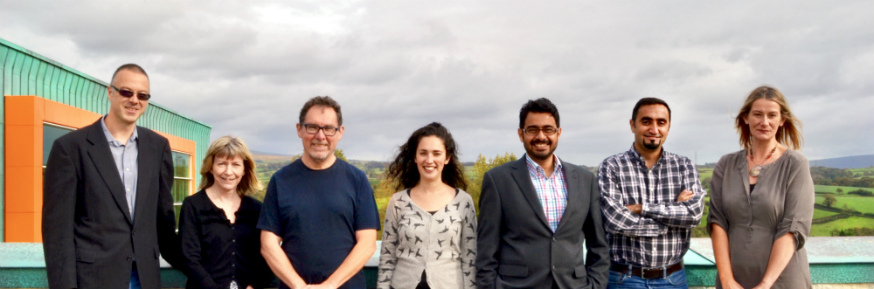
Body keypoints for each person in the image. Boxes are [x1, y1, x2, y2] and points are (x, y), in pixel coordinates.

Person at [42, 63, 186, 289]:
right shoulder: (70, 148)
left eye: (143, 95)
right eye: (126, 92)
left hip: (145, 278)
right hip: (93, 279)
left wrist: (201, 268)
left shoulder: (158, 147)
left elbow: (163, 220)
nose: (134, 100)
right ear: (110, 92)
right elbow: (57, 231)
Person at [476, 98, 609, 289]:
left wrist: (596, 285)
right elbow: (486, 250)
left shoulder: (585, 180)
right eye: (532, 130)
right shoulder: (498, 180)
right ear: (521, 134)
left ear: (558, 133)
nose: (541, 136)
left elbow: (598, 244)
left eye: (548, 129)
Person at [258, 96, 380, 289]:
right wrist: (299, 286)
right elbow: (268, 244)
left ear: (340, 132)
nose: (320, 136)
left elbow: (367, 243)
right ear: (299, 129)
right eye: (312, 127)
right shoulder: (280, 181)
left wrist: (330, 286)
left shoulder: (357, 180)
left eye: (329, 128)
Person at [708, 86, 814, 289]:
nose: (764, 122)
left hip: (783, 281)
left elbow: (793, 228)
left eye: (771, 115)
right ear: (746, 118)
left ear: (782, 120)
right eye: (757, 114)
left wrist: (765, 284)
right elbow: (717, 222)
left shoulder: (795, 164)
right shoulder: (726, 165)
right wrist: (727, 280)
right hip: (733, 282)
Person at [598, 97, 706, 288]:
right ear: (633, 125)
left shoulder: (684, 166)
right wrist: (669, 219)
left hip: (672, 279)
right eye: (646, 121)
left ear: (668, 127)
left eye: (661, 123)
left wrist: (641, 208)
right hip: (624, 279)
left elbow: (693, 214)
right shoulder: (611, 167)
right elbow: (615, 220)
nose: (654, 129)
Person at [378, 122, 477, 289]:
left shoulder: (463, 202)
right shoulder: (398, 202)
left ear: (447, 158)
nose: (429, 160)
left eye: (436, 153)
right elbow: (387, 258)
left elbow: (470, 259)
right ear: (415, 157)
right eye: (423, 153)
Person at [179, 136, 271, 289]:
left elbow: (265, 255)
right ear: (210, 167)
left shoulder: (256, 209)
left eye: (235, 165)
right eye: (221, 164)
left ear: (244, 170)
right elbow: (190, 259)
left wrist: (253, 285)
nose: (228, 172)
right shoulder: (193, 206)